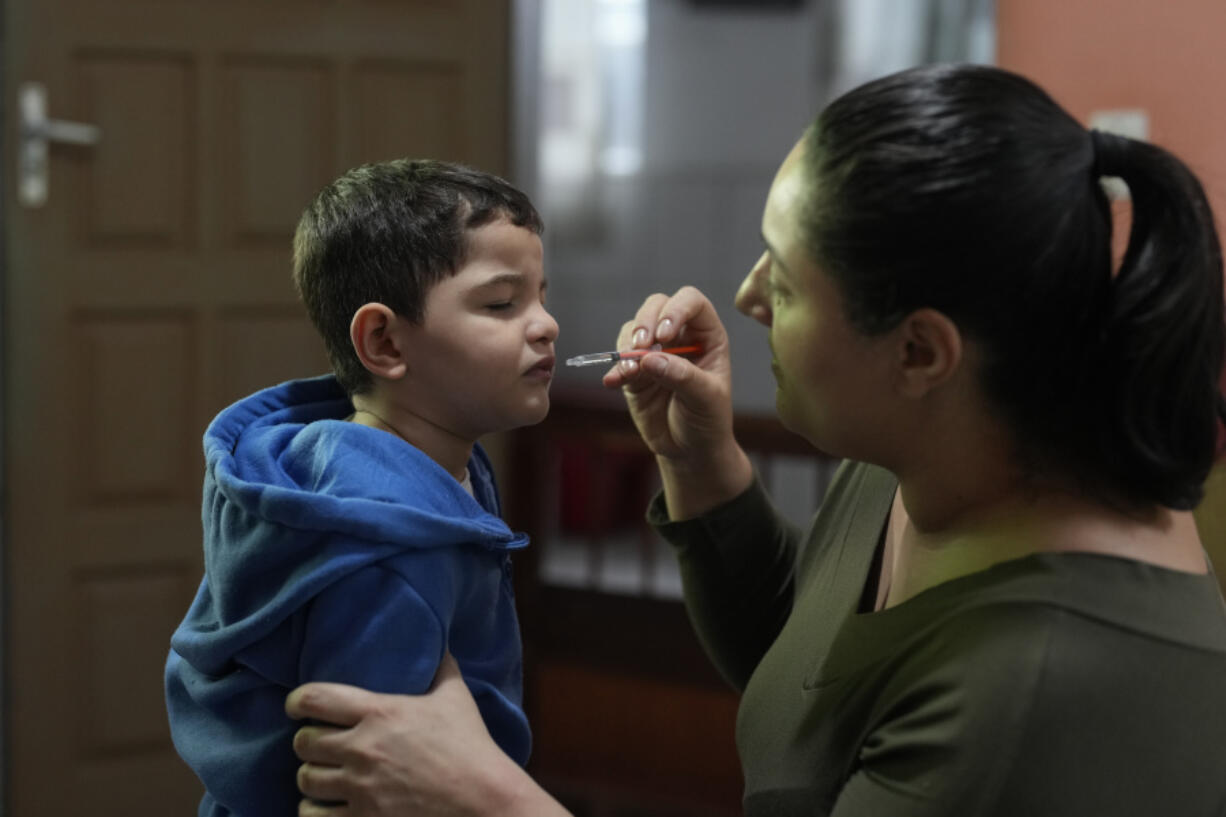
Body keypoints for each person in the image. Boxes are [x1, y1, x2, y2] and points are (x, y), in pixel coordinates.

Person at [285, 64, 1226, 816]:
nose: (744, 297)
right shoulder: (925, 449)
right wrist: (701, 462)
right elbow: (817, 683)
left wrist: (486, 797)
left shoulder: (1037, 706)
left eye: (788, 275)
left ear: (920, 350)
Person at [164, 158, 559, 816]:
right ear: (383, 341)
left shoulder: (416, 457)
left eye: (542, 294)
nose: (544, 323)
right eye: (501, 303)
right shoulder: (384, 550)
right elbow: (361, 787)